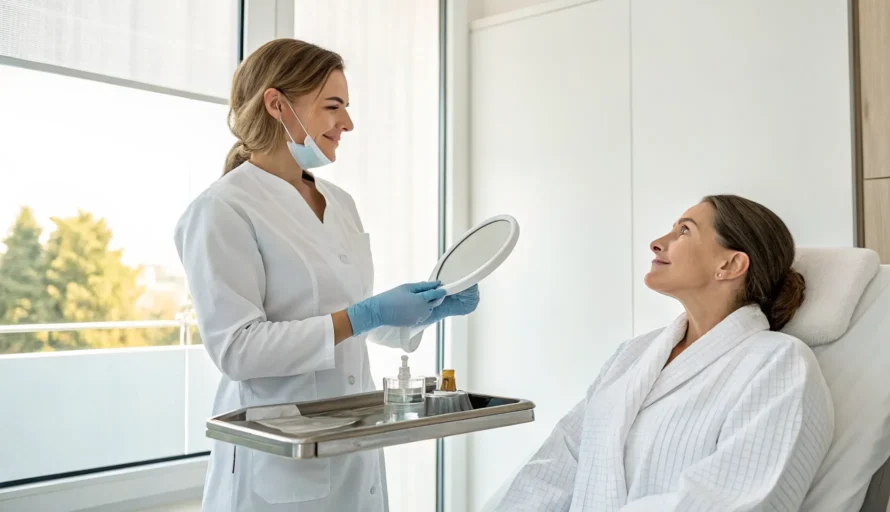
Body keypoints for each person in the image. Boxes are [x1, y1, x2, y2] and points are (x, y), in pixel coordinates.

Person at [174, 39, 479, 512]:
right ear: (277, 105)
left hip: (354, 445)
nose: (348, 123)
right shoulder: (222, 209)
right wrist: (362, 315)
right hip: (279, 461)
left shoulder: (340, 203)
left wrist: (425, 310)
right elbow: (237, 349)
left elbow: (351, 324)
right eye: (333, 106)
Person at [493, 195, 834, 511]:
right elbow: (558, 463)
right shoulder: (634, 354)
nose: (657, 242)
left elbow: (735, 499)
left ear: (730, 264)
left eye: (684, 230)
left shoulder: (778, 363)